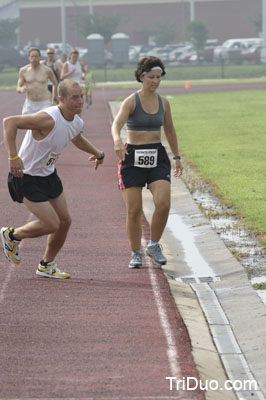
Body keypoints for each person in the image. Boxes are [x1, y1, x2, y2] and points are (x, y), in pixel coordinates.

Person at [1, 79, 105, 279]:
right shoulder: (47, 119)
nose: (80, 101)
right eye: (74, 98)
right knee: (51, 224)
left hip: (48, 175)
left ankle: (46, 265)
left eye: (81, 96)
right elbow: (9, 122)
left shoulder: (76, 121)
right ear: (61, 99)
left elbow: (76, 137)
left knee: (65, 221)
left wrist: (98, 153)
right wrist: (13, 157)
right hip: (26, 177)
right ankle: (11, 235)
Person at [111, 56, 182, 269]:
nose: (155, 81)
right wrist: (117, 140)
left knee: (164, 204)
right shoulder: (132, 101)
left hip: (157, 157)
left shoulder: (164, 103)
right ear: (142, 77)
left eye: (159, 77)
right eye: (151, 77)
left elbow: (169, 129)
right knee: (134, 210)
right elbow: (116, 124)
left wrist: (177, 157)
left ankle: (153, 244)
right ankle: (135, 252)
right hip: (132, 157)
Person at [17, 47, 58, 114]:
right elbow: (18, 87)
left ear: (40, 57)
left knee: (45, 123)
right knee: (26, 123)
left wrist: (54, 98)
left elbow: (55, 83)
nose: (34, 58)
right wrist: (21, 89)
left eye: (36, 56)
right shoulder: (23, 70)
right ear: (29, 57)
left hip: (44, 103)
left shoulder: (47, 70)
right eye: (32, 56)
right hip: (30, 104)